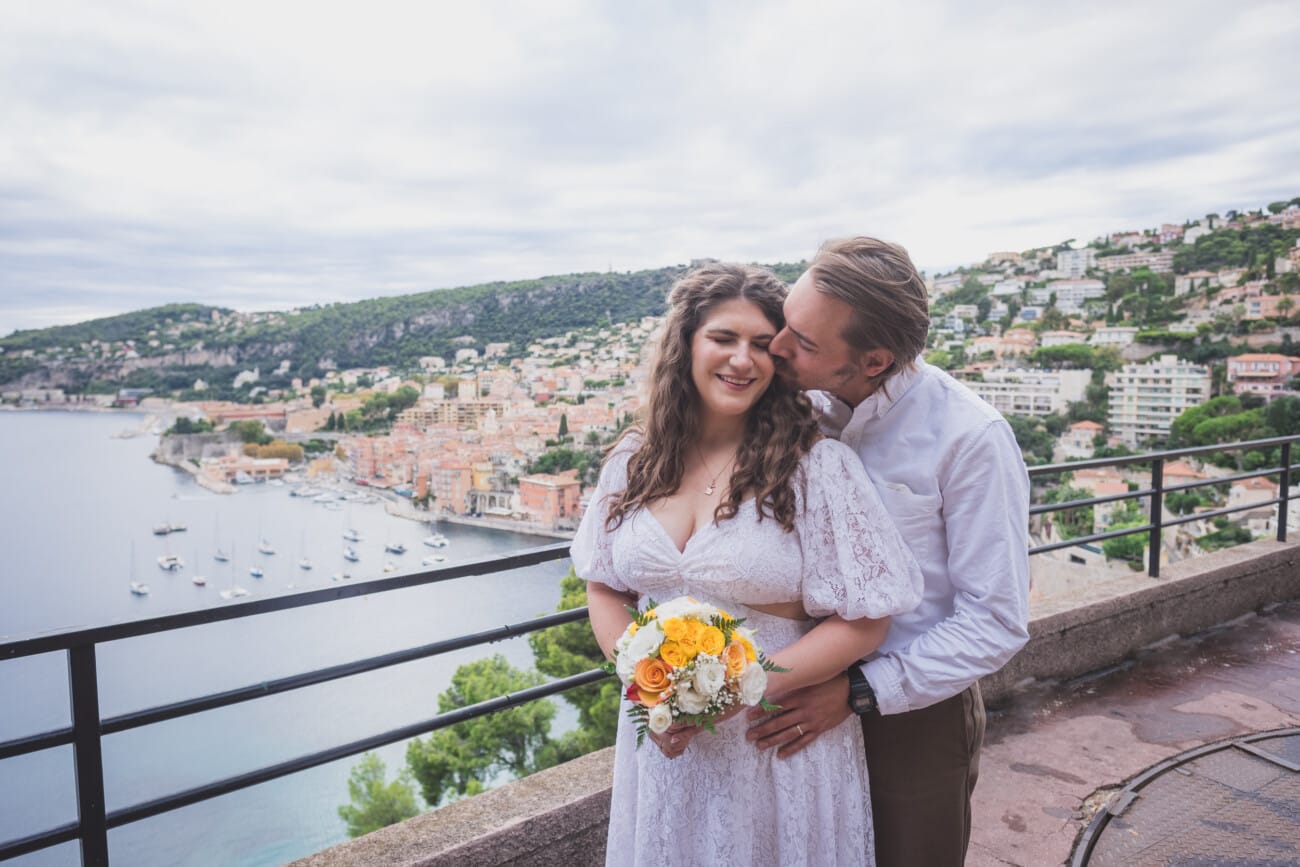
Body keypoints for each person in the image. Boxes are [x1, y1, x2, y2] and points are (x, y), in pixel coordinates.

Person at [572, 263, 924, 866]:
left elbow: (866, 621)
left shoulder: (817, 468)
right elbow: (603, 586)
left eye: (763, 345)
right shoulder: (633, 461)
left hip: (777, 742)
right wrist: (648, 692)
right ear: (685, 345)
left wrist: (742, 689)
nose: (743, 360)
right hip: (665, 747)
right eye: (723, 338)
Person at [746, 236, 1031, 867]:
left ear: (873, 360)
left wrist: (857, 690)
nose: (778, 347)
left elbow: (997, 620)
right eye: (786, 323)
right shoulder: (795, 408)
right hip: (796, 689)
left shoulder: (970, 438)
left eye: (805, 342)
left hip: (912, 714)